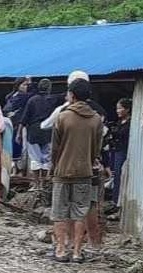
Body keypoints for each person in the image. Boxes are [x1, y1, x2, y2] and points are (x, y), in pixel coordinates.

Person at [50, 79, 103, 263]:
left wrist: (54, 167)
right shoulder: (96, 120)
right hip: (85, 172)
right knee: (80, 212)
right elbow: (96, 149)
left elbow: (55, 147)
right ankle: (77, 251)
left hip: (62, 171)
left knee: (59, 212)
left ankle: (60, 249)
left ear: (72, 95)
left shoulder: (63, 117)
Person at [19, 79, 61, 190]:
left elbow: (24, 119)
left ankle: (36, 183)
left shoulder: (32, 100)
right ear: (49, 88)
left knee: (35, 158)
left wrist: (18, 133)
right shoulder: (53, 99)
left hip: (33, 131)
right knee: (46, 158)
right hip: (48, 131)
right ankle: (44, 183)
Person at [108, 98, 131, 206]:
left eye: (120, 108)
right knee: (115, 176)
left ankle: (118, 203)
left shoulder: (130, 123)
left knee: (120, 176)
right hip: (116, 151)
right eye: (117, 108)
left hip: (123, 151)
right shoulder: (118, 122)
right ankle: (114, 201)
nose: (117, 111)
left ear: (127, 109)